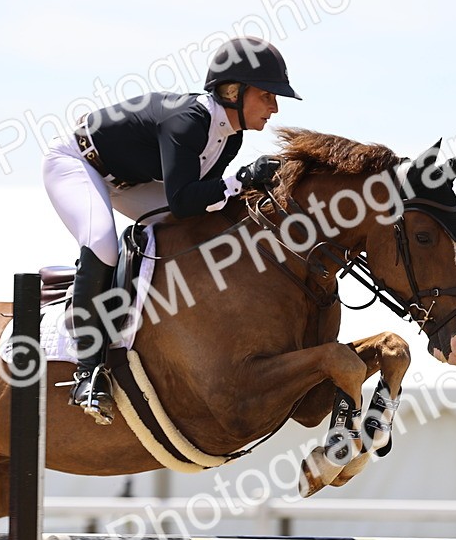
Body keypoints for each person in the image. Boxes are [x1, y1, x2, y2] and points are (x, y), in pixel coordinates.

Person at [42, 36, 301, 425]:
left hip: (128, 180)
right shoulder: (190, 120)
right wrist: (241, 180)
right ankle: (87, 369)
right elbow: (182, 199)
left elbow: (200, 207)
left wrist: (246, 188)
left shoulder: (231, 137)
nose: (274, 107)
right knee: (102, 243)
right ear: (233, 91)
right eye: (266, 95)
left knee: (192, 232)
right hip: (78, 163)